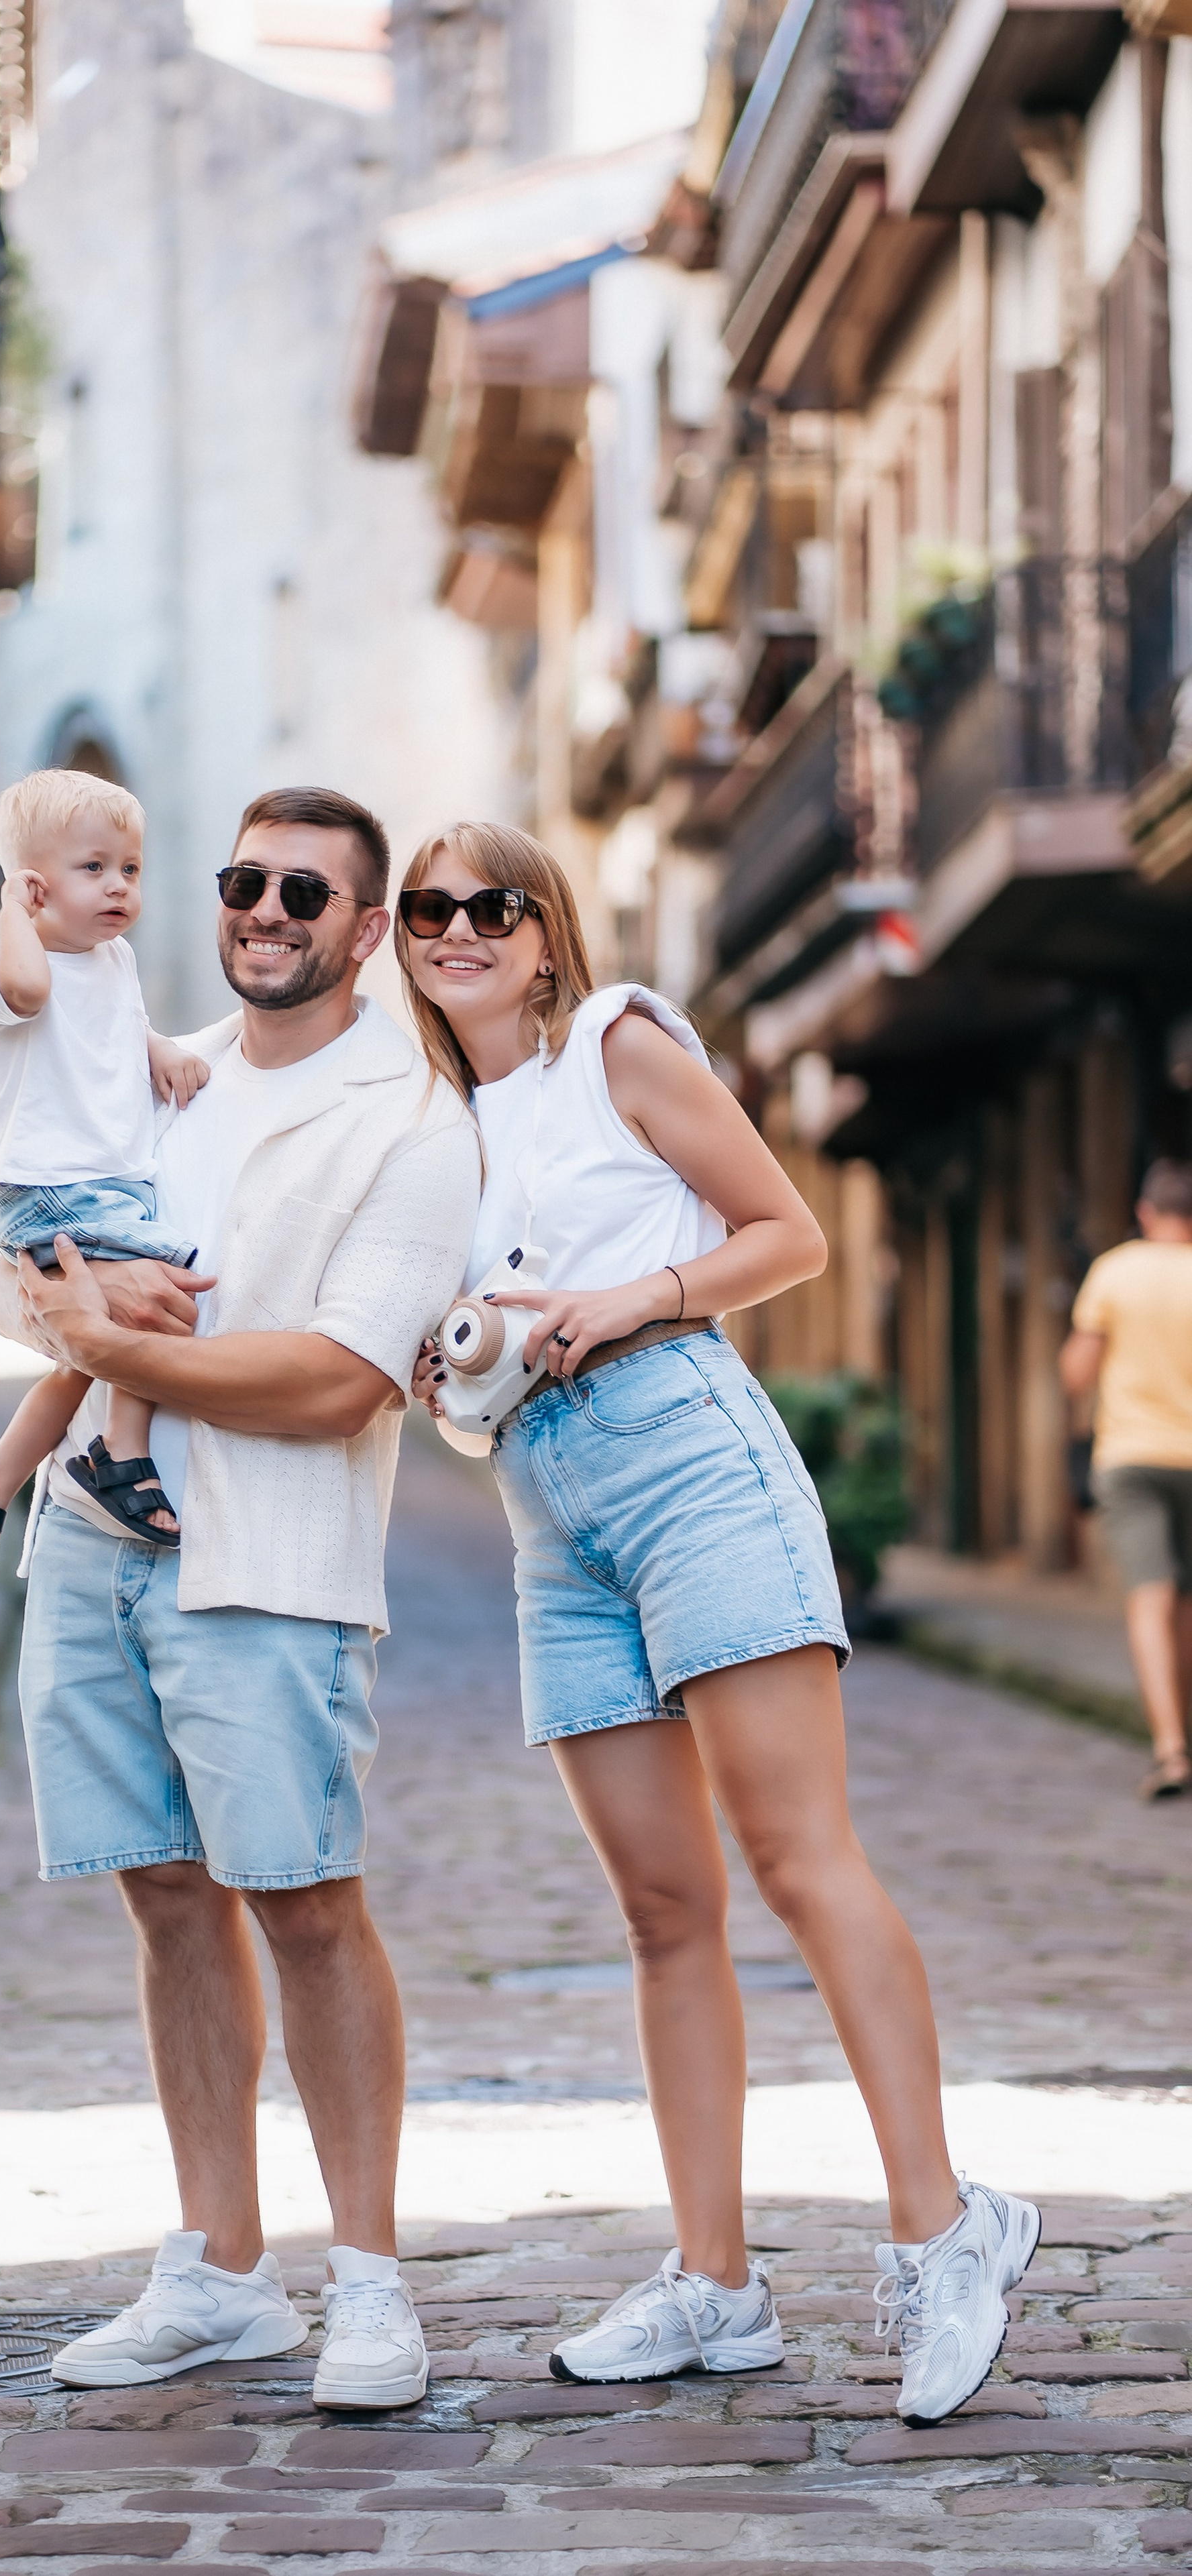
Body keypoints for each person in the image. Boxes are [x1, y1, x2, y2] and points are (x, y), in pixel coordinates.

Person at [398, 820, 1038, 2426]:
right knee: (661, 1910)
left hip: (683, 1451)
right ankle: (713, 2283)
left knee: (796, 1856)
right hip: (545, 1507)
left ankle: (943, 2231)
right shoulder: (429, 1127)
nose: (457, 927)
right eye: (426, 907)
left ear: (545, 934)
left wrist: (632, 1296)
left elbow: (784, 1232)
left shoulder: (615, 1044)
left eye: (491, 905)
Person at [0, 786, 480, 2409]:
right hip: (92, 1537)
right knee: (162, 1892)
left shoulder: (412, 1119)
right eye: (243, 880)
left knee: (305, 1901)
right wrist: (73, 1307)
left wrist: (107, 1336)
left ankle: (370, 2283)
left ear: (364, 929)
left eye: (304, 892)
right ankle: (217, 2270)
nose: (264, 910)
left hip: (267, 1559)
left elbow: (341, 1380)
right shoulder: (155, 1072)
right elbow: (30, 1251)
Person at [0, 769, 210, 1593]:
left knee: (90, 1356)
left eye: (130, 868)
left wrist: (158, 1049)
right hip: (50, 1186)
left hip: (106, 1185)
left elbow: (117, 1028)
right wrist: (12, 915)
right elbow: (30, 994)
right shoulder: (3, 963)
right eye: (94, 868)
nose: (119, 885)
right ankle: (120, 1453)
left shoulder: (115, 959)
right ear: (33, 884)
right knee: (161, 1297)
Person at [1061, 1157, 1192, 1800]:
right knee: (1186, 1605)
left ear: (1146, 1211)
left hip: (1133, 1456)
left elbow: (1076, 1374)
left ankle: (1170, 1750)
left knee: (1150, 1598)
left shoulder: (1115, 1271)